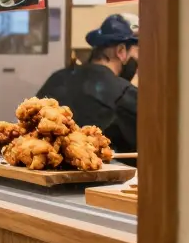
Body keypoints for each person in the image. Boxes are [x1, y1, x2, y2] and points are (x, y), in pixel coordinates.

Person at [36, 13, 139, 152]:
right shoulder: (125, 93)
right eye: (137, 51)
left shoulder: (57, 78)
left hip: (44, 166)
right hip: (99, 171)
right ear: (121, 51)